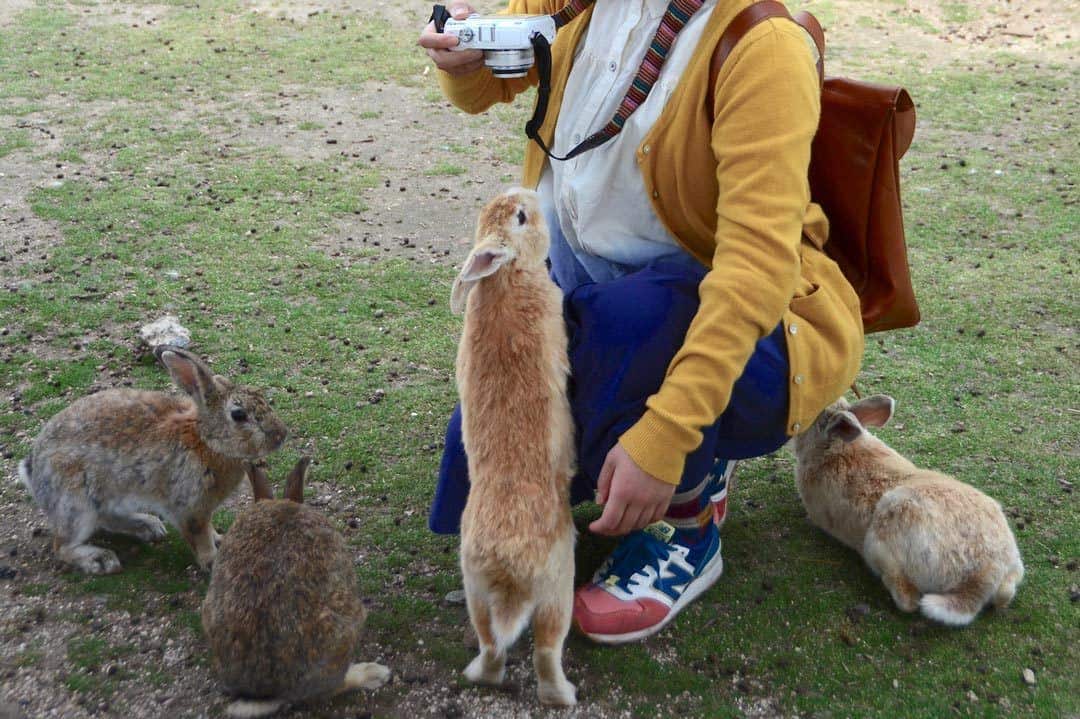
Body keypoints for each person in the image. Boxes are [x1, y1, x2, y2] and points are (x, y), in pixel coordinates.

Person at [418, 0, 864, 645]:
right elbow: (487, 85)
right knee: (504, 448)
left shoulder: (762, 44)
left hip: (735, 328)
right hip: (592, 297)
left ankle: (686, 527)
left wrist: (667, 438)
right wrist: (462, 58)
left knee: (637, 328)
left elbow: (753, 272)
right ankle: (673, 449)